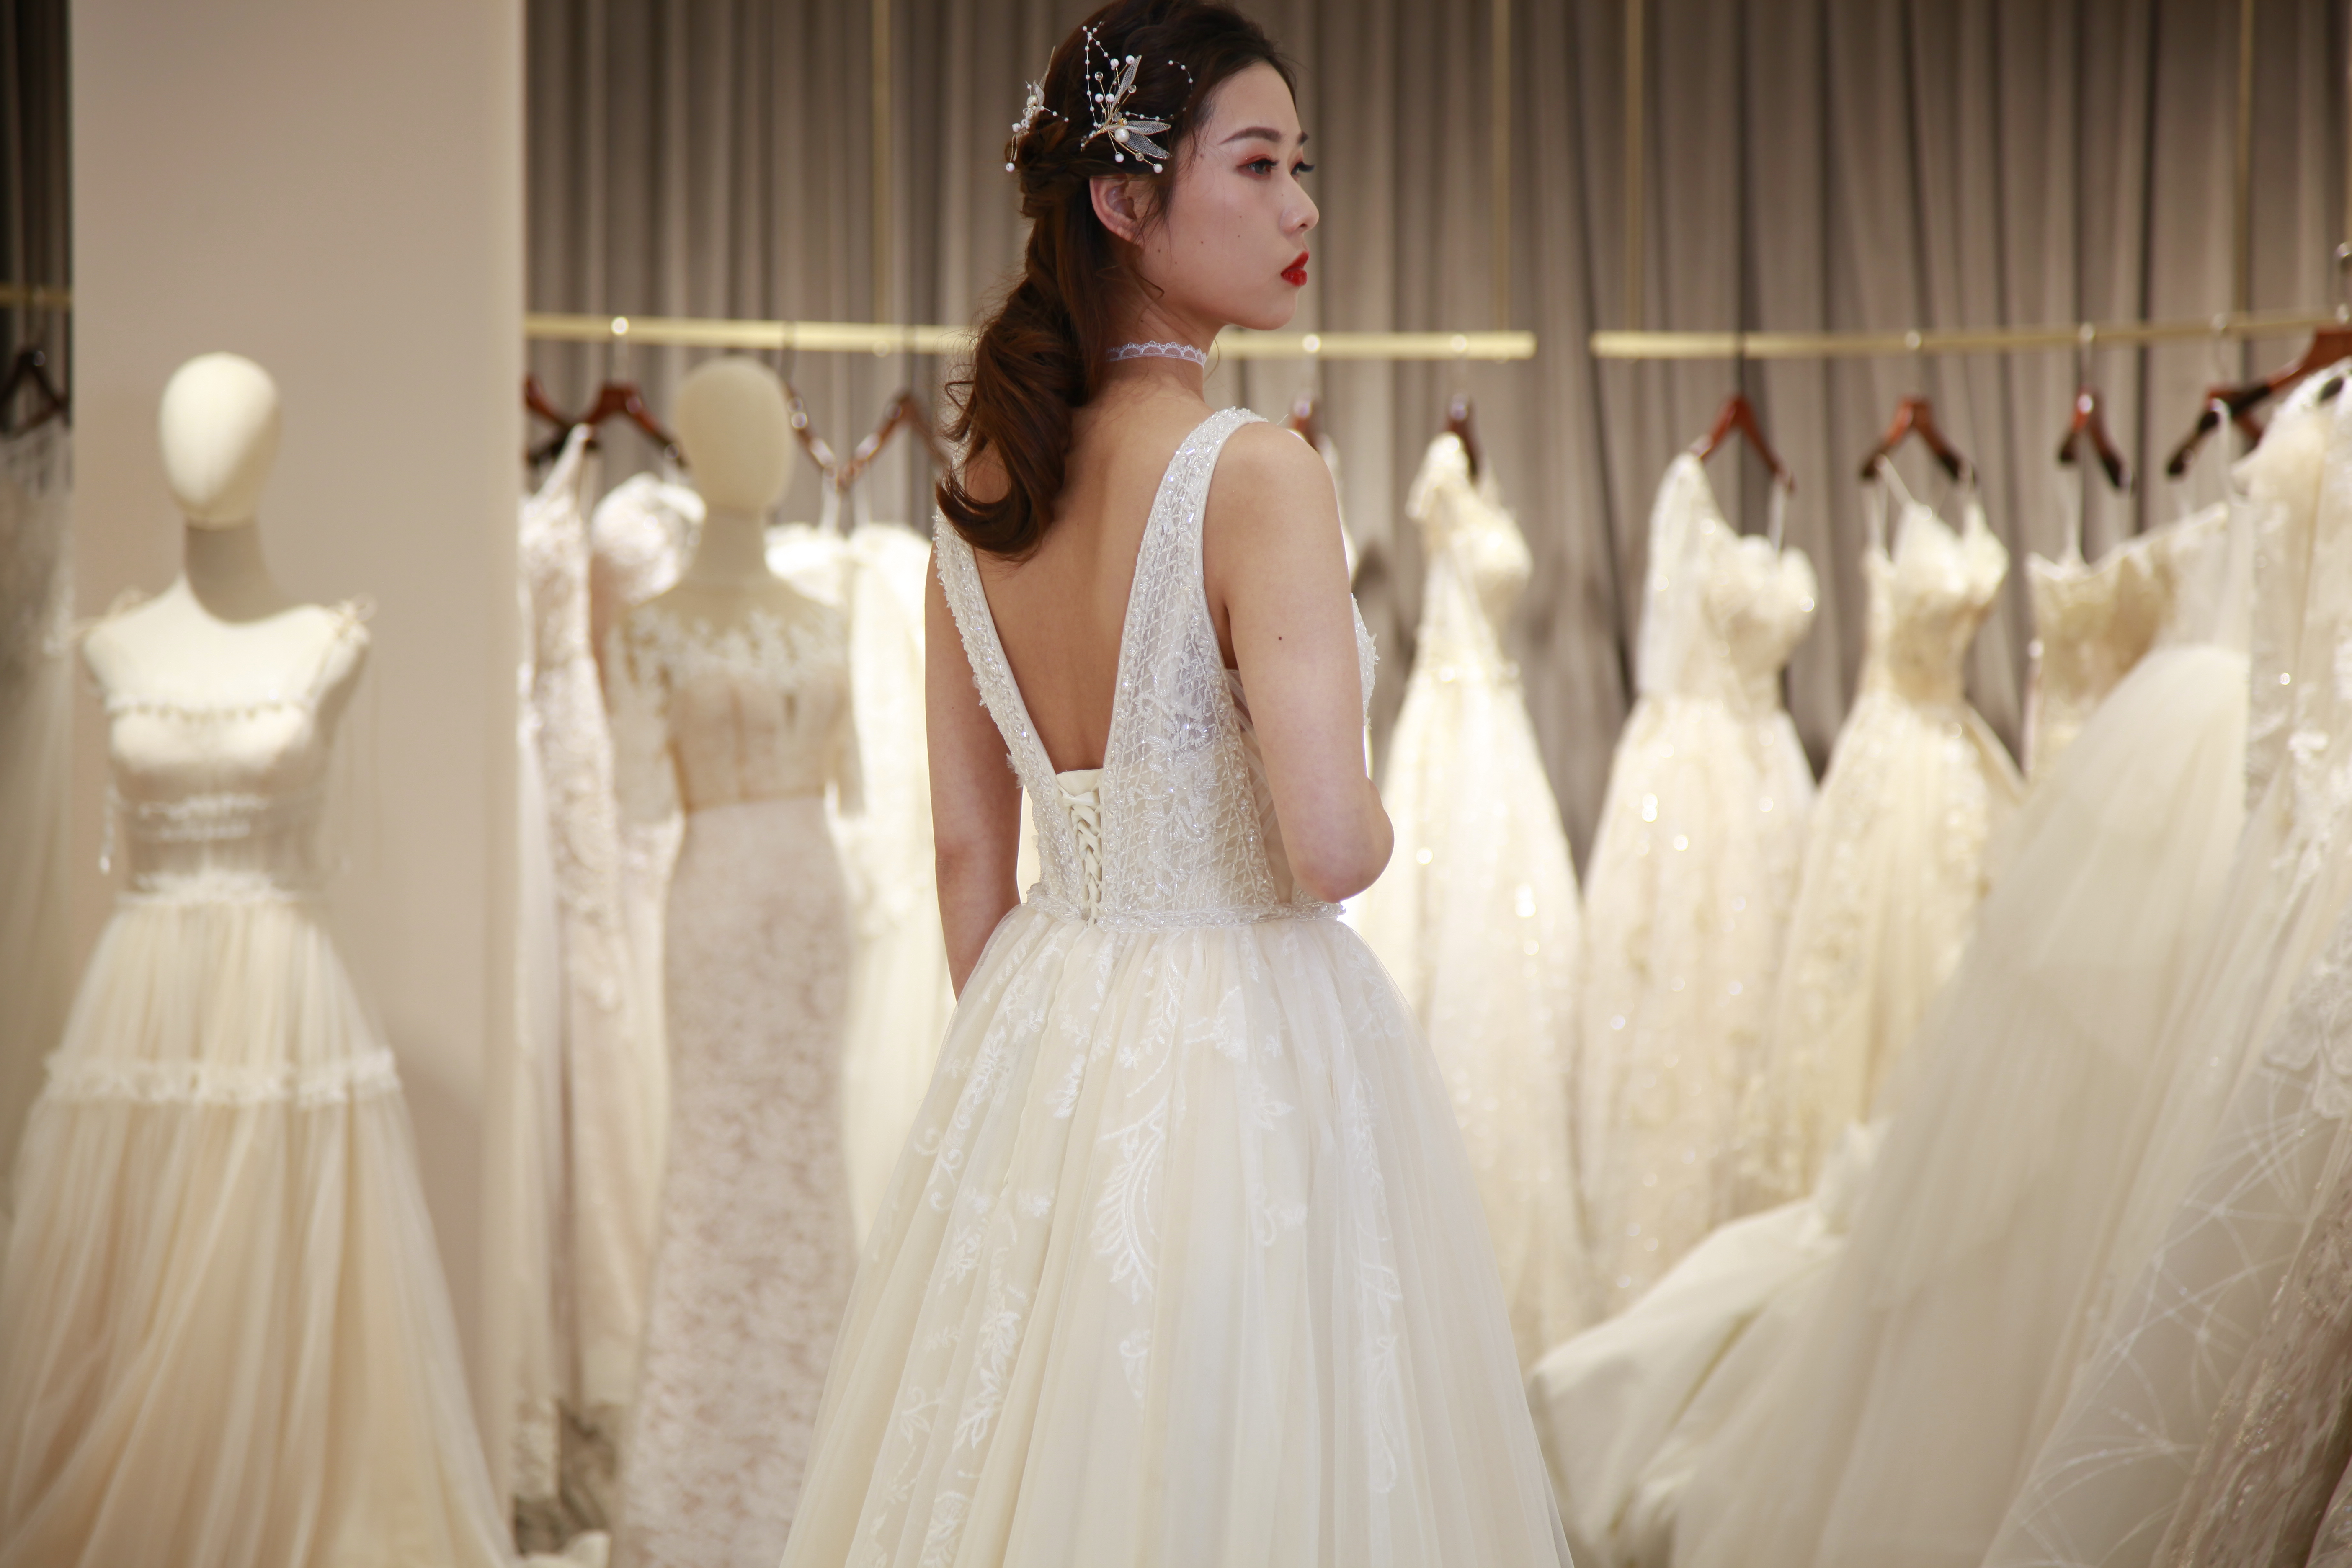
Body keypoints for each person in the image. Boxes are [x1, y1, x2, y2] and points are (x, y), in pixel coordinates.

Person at [778, 3, 1571, 1562]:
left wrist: (1043, 1071)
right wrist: (1379, 814)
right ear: (1124, 201)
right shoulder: (1255, 472)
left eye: (1302, 167)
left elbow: (967, 859)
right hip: (1244, 1043)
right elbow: (1330, 845)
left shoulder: (979, 498)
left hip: (1048, 1025)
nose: (1304, 209)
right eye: (1260, 166)